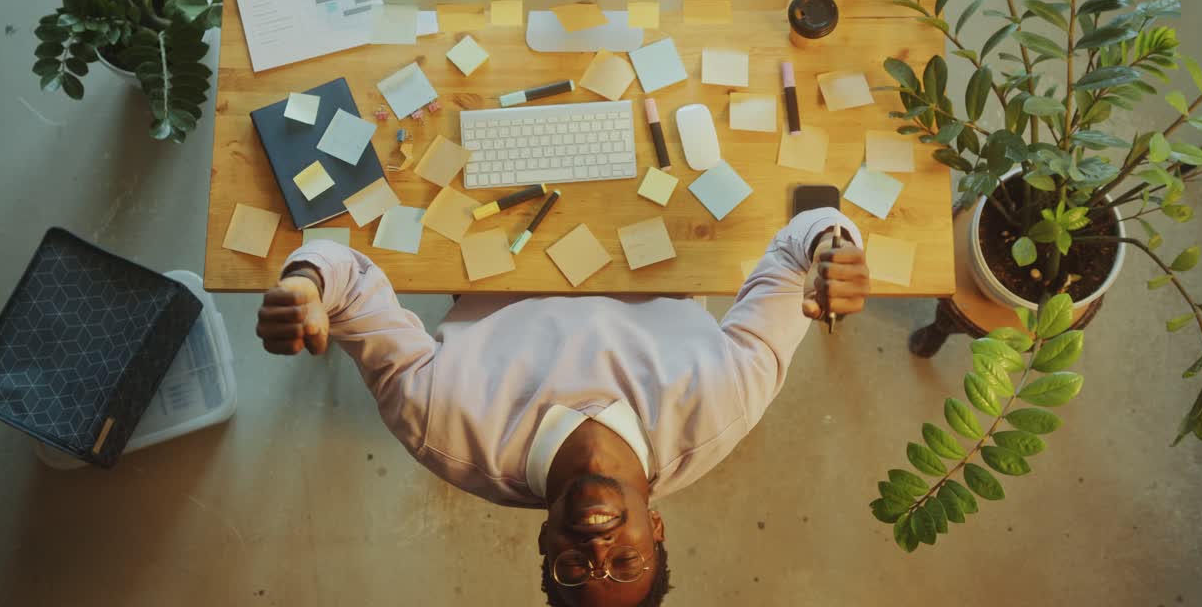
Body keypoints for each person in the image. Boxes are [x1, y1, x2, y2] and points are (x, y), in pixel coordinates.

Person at [256, 207, 870, 606]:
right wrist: (832, 250)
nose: (597, 551)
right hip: (655, 220)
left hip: (490, 227)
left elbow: (352, 279)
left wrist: (307, 285)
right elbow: (800, 240)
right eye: (625, 561)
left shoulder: (442, 425)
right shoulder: (722, 404)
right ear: (656, 529)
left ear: (545, 544)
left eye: (575, 571)